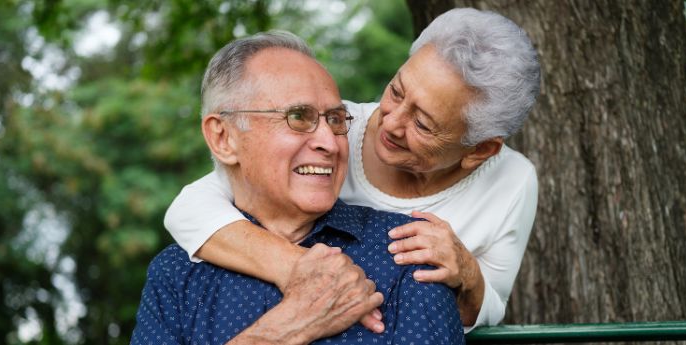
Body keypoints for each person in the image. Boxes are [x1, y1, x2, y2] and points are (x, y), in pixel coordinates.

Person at [164, 7, 541, 330]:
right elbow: (189, 209)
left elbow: (489, 305)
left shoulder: (513, 181)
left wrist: (467, 272)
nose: (390, 122)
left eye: (423, 125)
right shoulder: (330, 129)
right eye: (396, 91)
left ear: (480, 150)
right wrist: (299, 268)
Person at [131, 31, 464, 344]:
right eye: (298, 117)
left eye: (335, 120)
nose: (329, 144)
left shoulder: (410, 253)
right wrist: (283, 330)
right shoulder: (174, 276)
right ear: (224, 138)